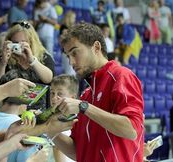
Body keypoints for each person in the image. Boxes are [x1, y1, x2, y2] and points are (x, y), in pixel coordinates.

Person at [49, 23, 144, 162]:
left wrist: (84, 107)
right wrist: (49, 130)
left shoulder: (121, 75)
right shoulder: (86, 94)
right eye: (68, 56)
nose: (71, 62)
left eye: (75, 52)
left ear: (96, 47)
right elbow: (77, 152)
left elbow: (131, 130)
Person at [50, 74, 79, 162]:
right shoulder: (46, 117)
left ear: (72, 98)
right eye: (52, 93)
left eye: (60, 94)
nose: (54, 98)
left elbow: (58, 149)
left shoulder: (77, 122)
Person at [59, 10, 76, 75]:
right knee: (69, 73)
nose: (74, 20)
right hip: (66, 53)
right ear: (69, 18)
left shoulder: (70, 28)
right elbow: (63, 40)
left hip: (69, 52)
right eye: (73, 18)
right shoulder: (64, 28)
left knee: (72, 73)